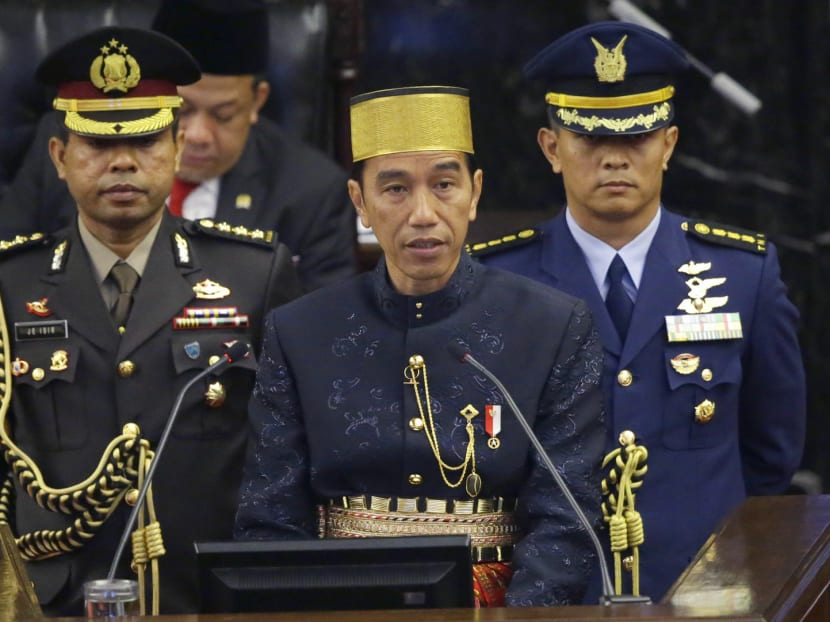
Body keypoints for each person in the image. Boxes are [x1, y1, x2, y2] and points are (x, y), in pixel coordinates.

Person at [233, 85, 607, 607]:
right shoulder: (299, 331)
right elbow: (269, 516)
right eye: (395, 190)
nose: (424, 213)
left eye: (445, 184)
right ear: (359, 203)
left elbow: (567, 518)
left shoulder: (551, 325)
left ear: (475, 193)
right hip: (338, 608)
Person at [473, 21, 807, 601]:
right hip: (551, 594)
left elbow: (772, 452)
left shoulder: (743, 275)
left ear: (669, 145)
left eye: (635, 138)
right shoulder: (499, 282)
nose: (614, 159)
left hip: (704, 587)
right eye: (591, 140)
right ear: (552, 149)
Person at [0, 26, 301, 616]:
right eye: (96, 144)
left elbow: (284, 455)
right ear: (60, 158)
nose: (121, 162)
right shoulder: (11, 285)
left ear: (178, 149)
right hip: (52, 600)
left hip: (207, 594)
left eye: (144, 142)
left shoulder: (254, 275)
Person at [0, 0, 356, 292]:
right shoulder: (73, 142)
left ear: (257, 101)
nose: (200, 135)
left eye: (223, 114)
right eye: (182, 111)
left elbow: (321, 334)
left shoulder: (312, 190)